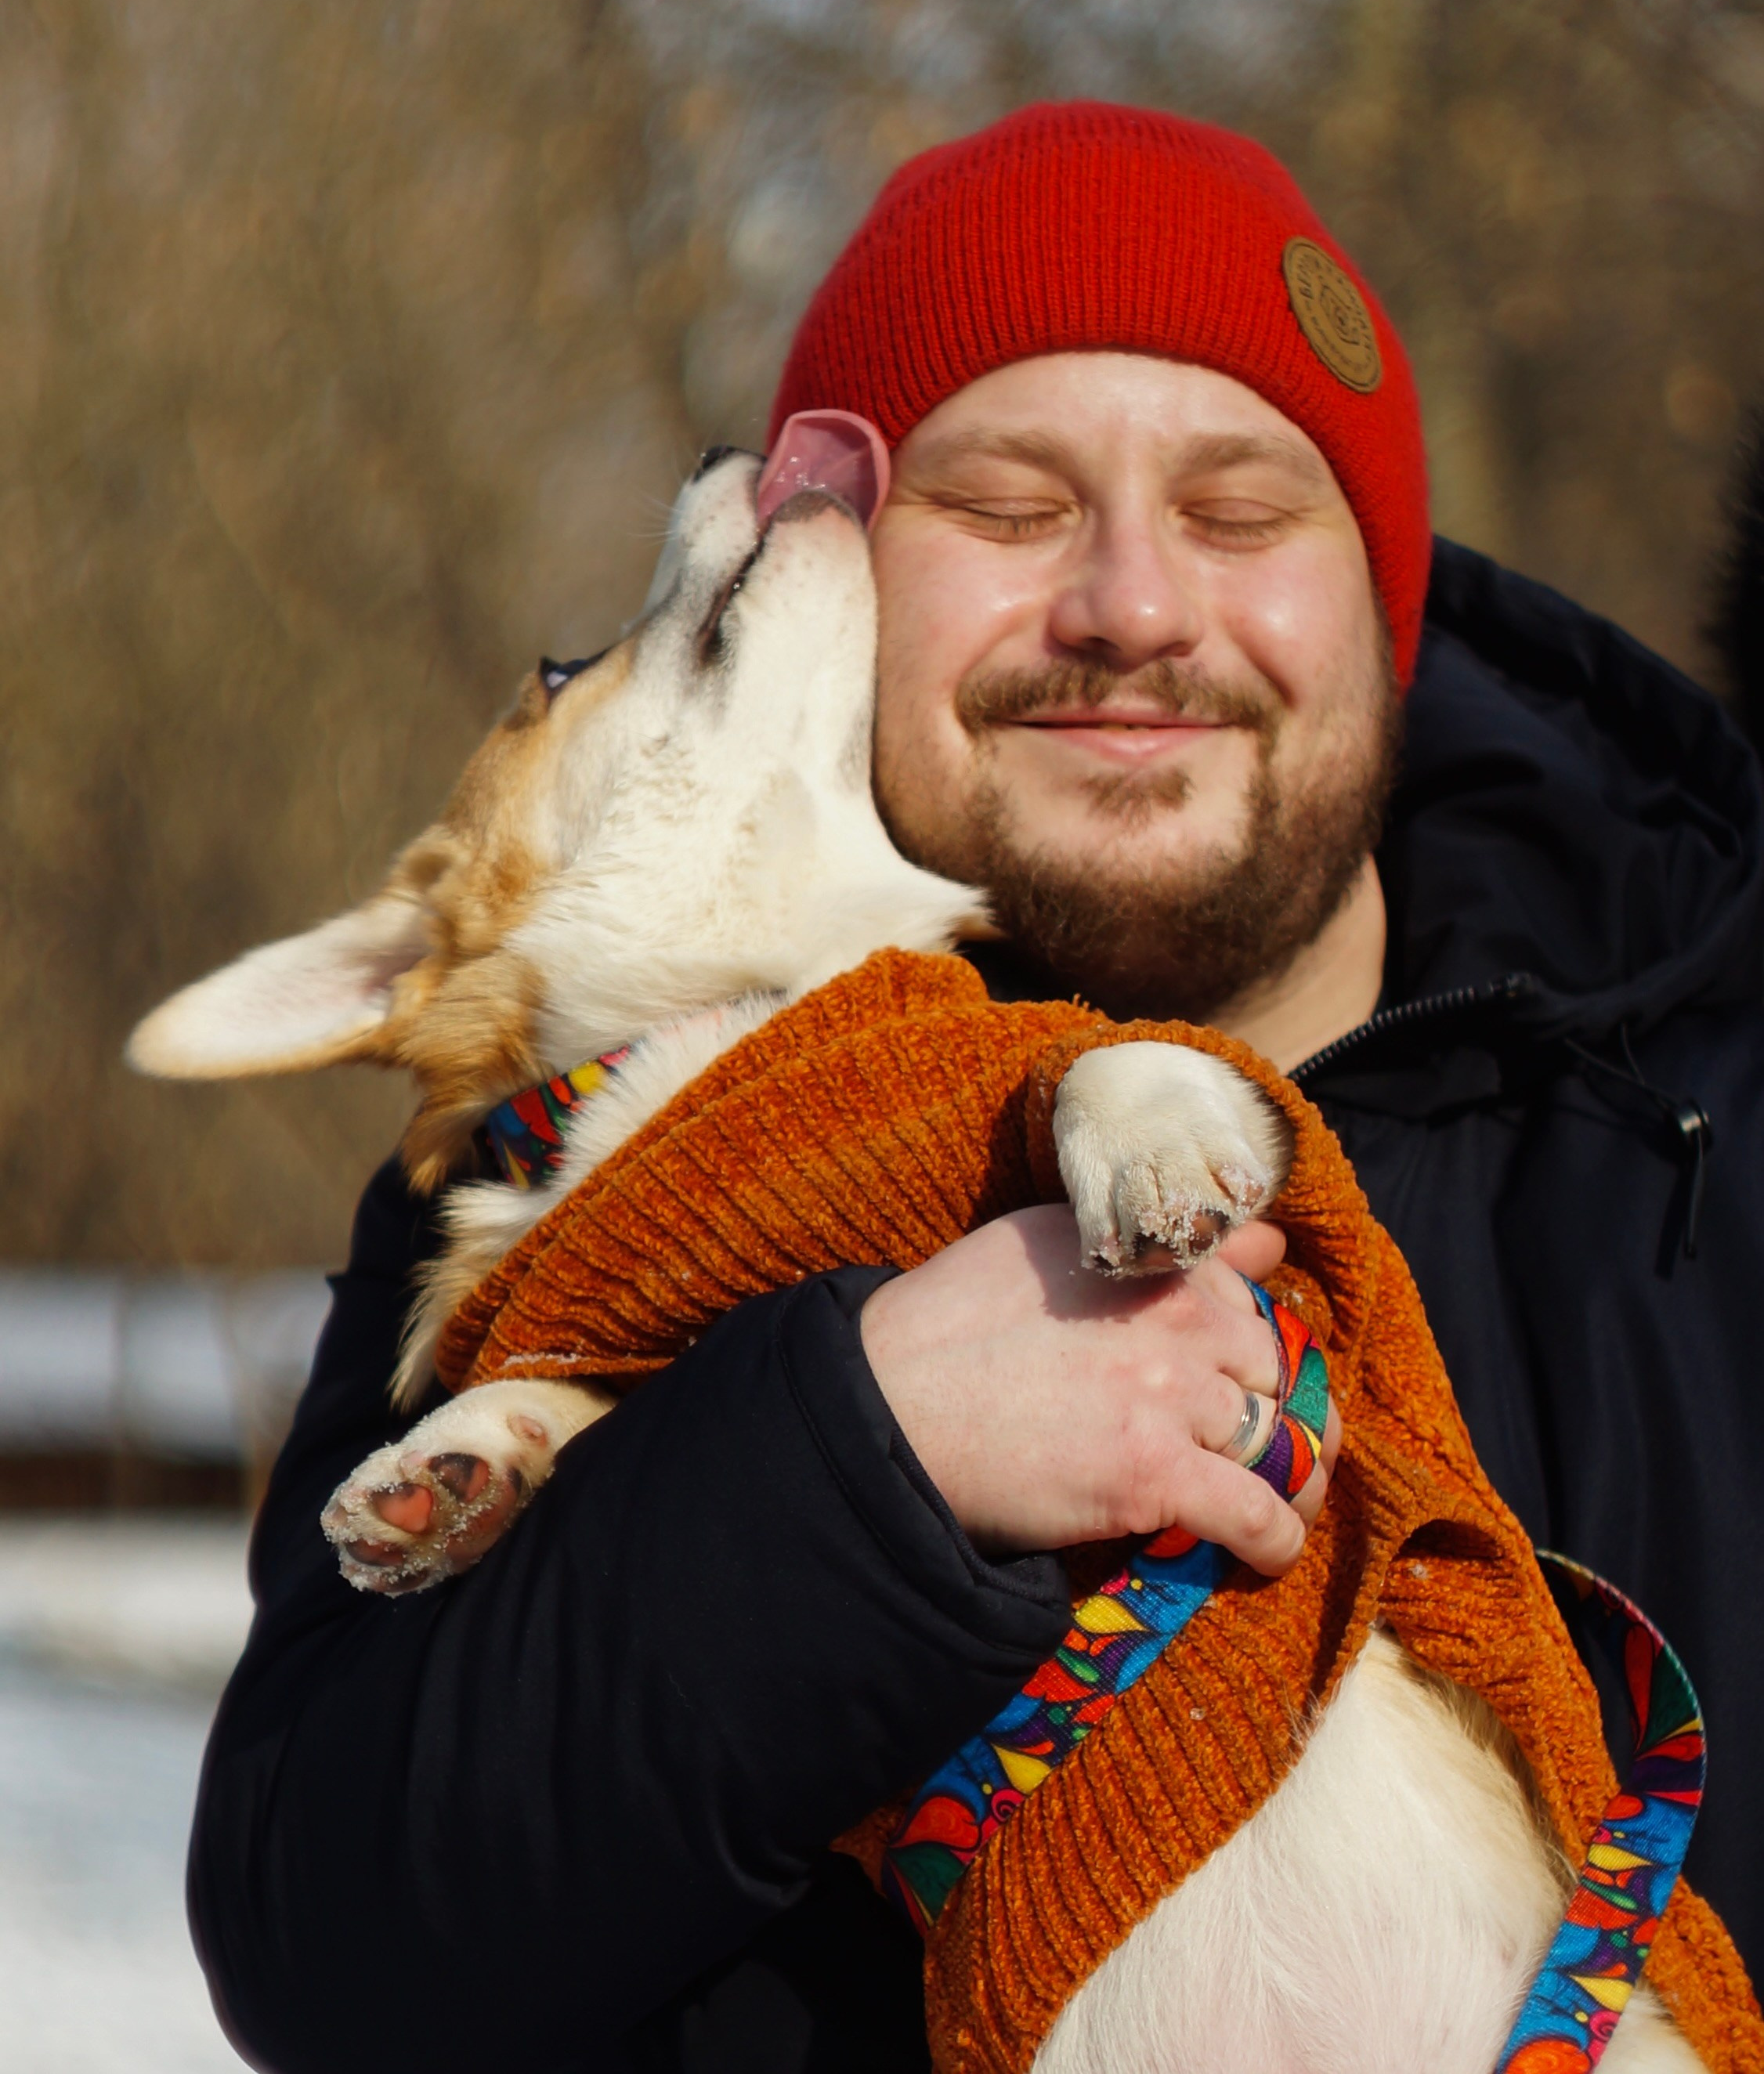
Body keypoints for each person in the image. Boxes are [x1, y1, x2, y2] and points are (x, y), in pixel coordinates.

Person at [188, 103, 1763, 2071]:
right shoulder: (582, 1186)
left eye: (1240, 511)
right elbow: (330, 1959)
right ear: (843, 586)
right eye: (1008, 508)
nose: (1131, 605)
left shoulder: (1708, 1135)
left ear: (1385, 609)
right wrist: (858, 1460)